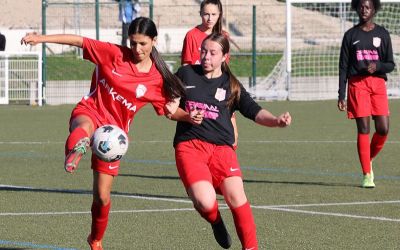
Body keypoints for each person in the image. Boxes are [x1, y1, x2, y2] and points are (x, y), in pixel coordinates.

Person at [21, 17, 185, 250]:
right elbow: (79, 41)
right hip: (91, 110)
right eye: (133, 43)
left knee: (102, 197)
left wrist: (188, 116)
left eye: (142, 44)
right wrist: (41, 39)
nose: (136, 49)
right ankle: (75, 149)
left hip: (113, 136)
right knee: (84, 129)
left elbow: (169, 111)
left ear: (154, 41)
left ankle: (95, 239)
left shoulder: (157, 79)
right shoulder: (113, 54)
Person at [169, 33, 291, 249]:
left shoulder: (231, 85)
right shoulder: (186, 74)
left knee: (237, 196)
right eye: (203, 51)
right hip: (190, 147)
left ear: (225, 56)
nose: (206, 57)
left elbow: (254, 110)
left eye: (212, 53)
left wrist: (276, 121)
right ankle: (216, 221)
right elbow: (170, 108)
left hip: (223, 150)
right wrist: (185, 115)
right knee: (205, 202)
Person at [338, 0, 395, 188]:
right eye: (361, 6)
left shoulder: (382, 34)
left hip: (378, 84)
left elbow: (390, 64)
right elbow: (343, 66)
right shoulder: (350, 35)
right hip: (357, 84)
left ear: (374, 9)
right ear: (356, 8)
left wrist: (377, 65)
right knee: (363, 128)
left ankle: (367, 158)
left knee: (383, 129)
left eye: (368, 7)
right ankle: (367, 174)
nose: (364, 10)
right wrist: (341, 94)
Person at [181, 0, 239, 149]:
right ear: (200, 13)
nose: (209, 18)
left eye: (213, 14)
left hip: (218, 88)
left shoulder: (223, 36)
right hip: (199, 90)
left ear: (220, 15)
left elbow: (225, 66)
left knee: (231, 134)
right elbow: (186, 67)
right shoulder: (192, 35)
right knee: (201, 132)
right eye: (206, 14)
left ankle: (225, 162)